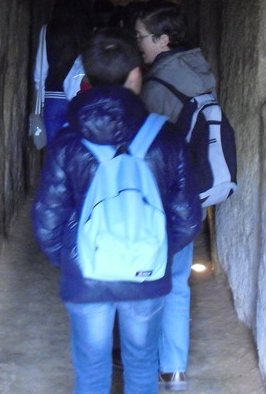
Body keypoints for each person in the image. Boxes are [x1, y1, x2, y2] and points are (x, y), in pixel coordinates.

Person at [32, 27, 202, 394]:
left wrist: (72, 257)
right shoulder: (166, 137)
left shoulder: (66, 141)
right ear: (136, 74)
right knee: (141, 362)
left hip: (86, 276)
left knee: (92, 368)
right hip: (146, 274)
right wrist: (154, 248)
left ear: (88, 78)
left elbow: (48, 217)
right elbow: (187, 216)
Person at [134, 2, 217, 392]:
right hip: (191, 191)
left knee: (152, 279)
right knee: (179, 283)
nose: (138, 44)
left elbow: (148, 146)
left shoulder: (157, 86)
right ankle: (174, 368)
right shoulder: (199, 72)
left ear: (163, 39)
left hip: (162, 196)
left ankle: (147, 361)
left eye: (142, 37)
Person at [32, 0, 93, 143]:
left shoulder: (48, 30)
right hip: (80, 96)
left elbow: (40, 70)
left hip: (53, 97)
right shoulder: (89, 30)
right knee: (81, 149)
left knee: (55, 151)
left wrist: (42, 95)